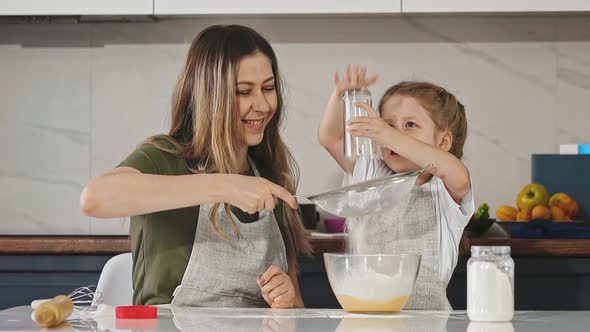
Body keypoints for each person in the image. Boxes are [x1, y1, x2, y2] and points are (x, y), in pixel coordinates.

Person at [80, 25, 311, 308]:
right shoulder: (164, 158)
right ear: (211, 96)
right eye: (243, 92)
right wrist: (226, 186)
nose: (262, 105)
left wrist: (287, 300)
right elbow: (94, 198)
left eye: (268, 88)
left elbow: (297, 307)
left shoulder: (270, 174)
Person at [318, 65, 474, 310]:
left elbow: (458, 175)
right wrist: (340, 97)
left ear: (443, 141)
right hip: (367, 315)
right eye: (389, 125)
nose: (393, 134)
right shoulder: (371, 173)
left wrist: (388, 135)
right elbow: (330, 138)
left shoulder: (443, 187)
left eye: (410, 124)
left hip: (427, 320)